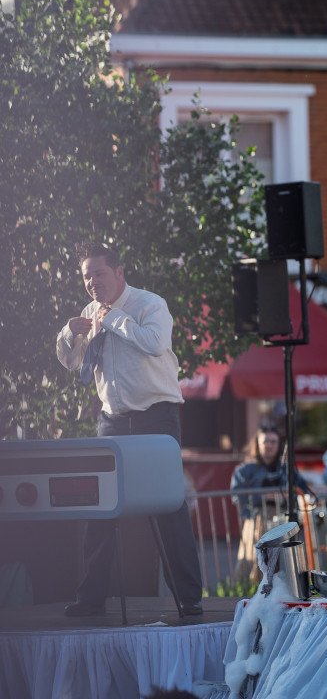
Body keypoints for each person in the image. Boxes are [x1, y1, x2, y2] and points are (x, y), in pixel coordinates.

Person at [56, 242, 203, 617]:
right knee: (100, 506)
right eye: (86, 276)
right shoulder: (89, 312)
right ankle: (90, 600)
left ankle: (189, 597)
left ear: (119, 272)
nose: (92, 282)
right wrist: (69, 332)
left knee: (169, 504)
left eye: (99, 273)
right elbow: (72, 363)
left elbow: (156, 344)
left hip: (156, 417)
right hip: (113, 420)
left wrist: (115, 319)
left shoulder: (149, 304)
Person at [231, 426, 313, 584]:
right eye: (265, 441)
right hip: (257, 521)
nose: (269, 445)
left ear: (279, 444)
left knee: (284, 564)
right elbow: (236, 496)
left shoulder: (287, 469)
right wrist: (261, 497)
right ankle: (251, 592)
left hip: (283, 521)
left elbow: (303, 489)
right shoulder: (245, 470)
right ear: (257, 444)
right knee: (255, 562)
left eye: (273, 441)